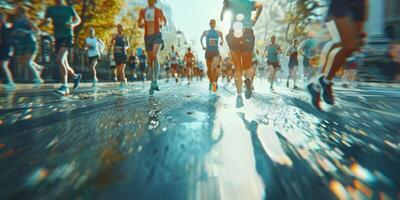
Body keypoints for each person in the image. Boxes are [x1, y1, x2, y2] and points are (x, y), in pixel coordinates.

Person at [307, 0, 368, 110]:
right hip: (341, 4)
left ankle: (317, 86)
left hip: (360, 4)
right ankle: (324, 81)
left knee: (348, 45)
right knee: (347, 44)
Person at [221, 0, 263, 105]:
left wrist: (224, 7)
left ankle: (239, 97)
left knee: (238, 68)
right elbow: (260, 6)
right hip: (247, 32)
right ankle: (248, 79)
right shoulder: (249, 2)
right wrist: (254, 19)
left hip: (234, 34)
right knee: (247, 66)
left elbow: (221, 17)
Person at [41, 0, 82, 96]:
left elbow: (78, 19)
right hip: (57, 38)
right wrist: (45, 22)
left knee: (59, 60)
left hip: (68, 36)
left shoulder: (69, 8)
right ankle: (75, 76)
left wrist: (73, 24)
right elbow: (45, 20)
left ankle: (65, 87)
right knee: (64, 63)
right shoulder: (50, 9)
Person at [138, 0, 167, 95]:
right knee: (150, 61)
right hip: (147, 37)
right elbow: (139, 23)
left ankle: (155, 81)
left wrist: (162, 24)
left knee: (154, 56)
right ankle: (152, 83)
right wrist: (141, 24)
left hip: (157, 35)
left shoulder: (159, 11)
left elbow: (164, 21)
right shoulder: (143, 11)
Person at [13, 5, 44, 87]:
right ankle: (38, 67)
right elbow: (14, 33)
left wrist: (25, 32)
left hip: (31, 42)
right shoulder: (16, 22)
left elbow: (38, 32)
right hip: (21, 44)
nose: (15, 10)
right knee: (22, 62)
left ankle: (38, 79)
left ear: (21, 11)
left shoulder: (27, 21)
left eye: (17, 9)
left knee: (28, 63)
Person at [200, 19, 224, 92]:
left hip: (215, 52)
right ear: (209, 24)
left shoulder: (218, 32)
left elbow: (222, 39)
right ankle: (210, 82)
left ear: (215, 24)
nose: (213, 24)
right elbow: (201, 38)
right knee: (209, 69)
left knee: (214, 68)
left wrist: (222, 42)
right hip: (208, 52)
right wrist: (203, 46)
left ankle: (214, 84)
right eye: (211, 23)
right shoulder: (206, 32)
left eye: (214, 23)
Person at [0, 12, 16, 90]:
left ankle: (11, 82)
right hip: (6, 48)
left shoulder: (5, 27)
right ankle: (10, 82)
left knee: (3, 65)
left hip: (6, 49)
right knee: (3, 65)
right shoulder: (5, 27)